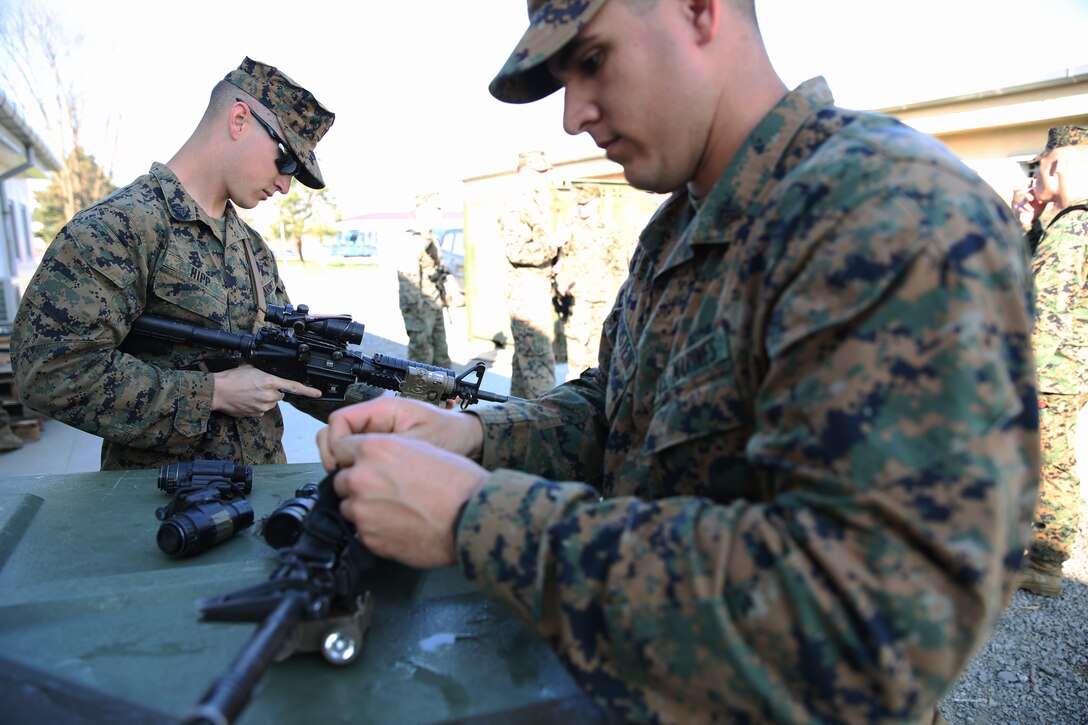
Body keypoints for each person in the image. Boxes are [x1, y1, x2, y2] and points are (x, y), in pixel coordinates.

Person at [318, 2, 1038, 722]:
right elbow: (621, 413)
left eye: (593, 60)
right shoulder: (681, 225)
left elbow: (868, 623)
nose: (573, 116)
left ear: (699, 10)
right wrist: (472, 437)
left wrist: (475, 517)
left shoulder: (886, 210)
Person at [11, 57, 377, 470]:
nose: (286, 184)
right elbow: (50, 371)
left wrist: (394, 402)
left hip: (258, 494)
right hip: (159, 510)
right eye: (286, 161)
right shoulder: (120, 228)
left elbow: (290, 364)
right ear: (239, 119)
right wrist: (213, 393)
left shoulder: (251, 247)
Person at [1012, 124, 1088, 597]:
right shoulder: (1066, 226)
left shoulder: (1074, 228)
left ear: (1056, 165)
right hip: (1062, 371)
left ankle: (1045, 564)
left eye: (1037, 168)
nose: (1033, 179)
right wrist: (1025, 226)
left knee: (1051, 467)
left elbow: (1048, 315)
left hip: (1051, 374)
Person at [498, 150, 564, 398]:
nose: (546, 177)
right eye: (541, 172)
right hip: (526, 298)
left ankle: (516, 418)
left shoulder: (531, 203)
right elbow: (517, 251)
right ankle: (547, 423)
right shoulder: (518, 203)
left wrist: (553, 259)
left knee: (525, 362)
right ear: (526, 171)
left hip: (532, 293)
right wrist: (553, 244)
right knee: (539, 362)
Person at [553, 182, 621, 380]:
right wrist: (561, 281)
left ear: (597, 202)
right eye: (578, 204)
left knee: (598, 349)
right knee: (576, 349)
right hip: (577, 299)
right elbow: (557, 260)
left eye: (585, 203)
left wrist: (618, 299)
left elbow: (619, 267)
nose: (580, 208)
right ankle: (574, 391)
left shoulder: (610, 229)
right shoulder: (569, 227)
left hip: (601, 298)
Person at [396, 192, 452, 368]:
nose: (441, 212)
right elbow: (408, 281)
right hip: (419, 307)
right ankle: (416, 397)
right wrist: (416, 316)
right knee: (421, 360)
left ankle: (444, 394)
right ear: (423, 209)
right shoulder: (413, 238)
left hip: (434, 304)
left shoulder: (431, 237)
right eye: (437, 208)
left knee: (441, 357)